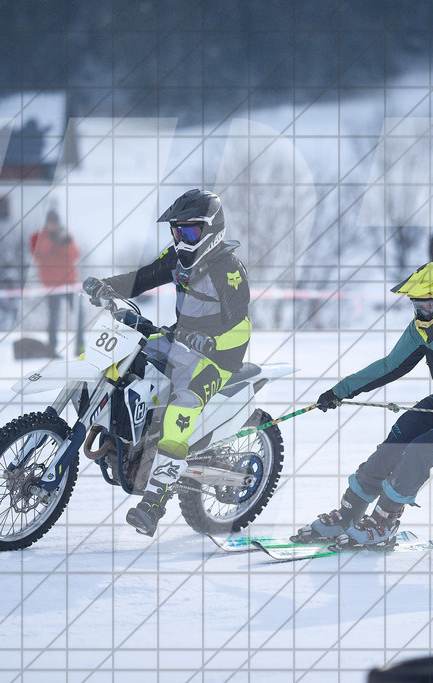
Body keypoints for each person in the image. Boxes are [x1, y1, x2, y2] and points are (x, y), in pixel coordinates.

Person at [295, 260, 433, 548]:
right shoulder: (422, 329)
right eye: (417, 305)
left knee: (419, 450)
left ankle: (384, 521)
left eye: (428, 306)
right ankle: (348, 514)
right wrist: (341, 390)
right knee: (398, 437)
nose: (421, 312)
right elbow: (391, 366)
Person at [82, 189, 251, 537]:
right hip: (178, 340)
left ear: (211, 230)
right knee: (123, 364)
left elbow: (243, 328)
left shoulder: (229, 270)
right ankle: (129, 440)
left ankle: (155, 502)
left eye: (189, 232)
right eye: (177, 231)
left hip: (216, 357)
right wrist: (105, 286)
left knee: (180, 409)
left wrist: (212, 341)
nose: (181, 239)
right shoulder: (177, 257)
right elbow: (140, 279)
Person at [29, 210, 81, 354]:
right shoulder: (38, 237)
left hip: (70, 282)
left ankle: (80, 346)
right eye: (52, 223)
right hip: (51, 285)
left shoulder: (65, 235)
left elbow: (76, 255)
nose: (55, 226)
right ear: (47, 224)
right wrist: (52, 239)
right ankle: (52, 347)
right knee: (53, 317)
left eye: (56, 223)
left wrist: (67, 242)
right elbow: (38, 254)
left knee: (78, 315)